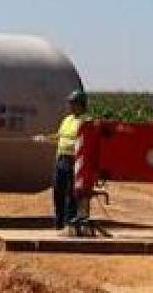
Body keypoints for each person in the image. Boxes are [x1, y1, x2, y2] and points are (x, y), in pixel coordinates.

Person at [52, 89, 88, 231]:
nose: (71, 106)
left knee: (70, 194)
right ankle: (59, 223)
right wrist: (45, 138)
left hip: (74, 161)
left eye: (74, 103)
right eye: (70, 103)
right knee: (58, 192)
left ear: (81, 105)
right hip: (61, 160)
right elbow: (60, 136)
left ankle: (69, 224)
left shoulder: (85, 122)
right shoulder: (67, 119)